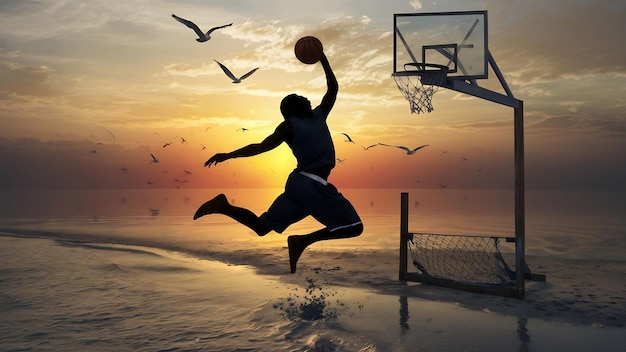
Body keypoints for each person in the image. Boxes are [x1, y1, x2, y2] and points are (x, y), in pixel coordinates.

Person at [193, 50, 363, 274]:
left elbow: (333, 89)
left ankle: (223, 206)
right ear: (293, 109)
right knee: (354, 226)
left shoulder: (319, 115)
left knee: (262, 228)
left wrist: (323, 59)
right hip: (310, 184)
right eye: (301, 99)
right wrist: (228, 154)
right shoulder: (290, 125)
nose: (306, 98)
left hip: (300, 185)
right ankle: (302, 242)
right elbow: (260, 146)